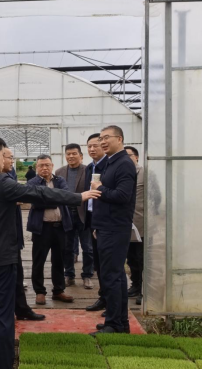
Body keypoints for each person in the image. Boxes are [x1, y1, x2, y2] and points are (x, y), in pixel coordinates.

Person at [0, 134, 97, 369]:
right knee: (2, 315)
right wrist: (78, 197)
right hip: (1, 261)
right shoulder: (0, 182)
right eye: (3, 155)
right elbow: (40, 194)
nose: (4, 160)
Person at [90, 125, 137, 335]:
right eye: (101, 138)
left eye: (106, 137)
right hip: (106, 227)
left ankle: (115, 324)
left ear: (120, 139)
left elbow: (122, 196)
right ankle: (118, 321)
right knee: (113, 276)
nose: (102, 142)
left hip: (115, 228)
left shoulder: (124, 163)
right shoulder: (111, 162)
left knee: (112, 277)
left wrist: (99, 189)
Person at [2, 147, 45, 321]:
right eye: (9, 157)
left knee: (17, 273)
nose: (12, 161)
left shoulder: (9, 173)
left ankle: (21, 308)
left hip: (13, 234)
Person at [27, 154, 75, 305]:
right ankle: (40, 291)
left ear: (52, 166)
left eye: (47, 165)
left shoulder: (60, 180)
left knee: (59, 260)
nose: (44, 168)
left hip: (60, 227)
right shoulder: (32, 182)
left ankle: (58, 290)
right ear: (36, 168)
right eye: (41, 165)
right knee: (38, 260)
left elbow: (65, 197)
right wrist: (55, 199)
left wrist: (46, 198)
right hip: (41, 228)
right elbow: (35, 202)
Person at [56, 143, 95, 290]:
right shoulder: (59, 172)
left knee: (87, 247)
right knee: (67, 247)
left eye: (74, 153)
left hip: (83, 214)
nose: (71, 156)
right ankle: (69, 275)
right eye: (68, 154)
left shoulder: (88, 170)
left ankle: (87, 275)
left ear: (81, 156)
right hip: (66, 214)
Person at [84, 134, 109, 313]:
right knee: (98, 262)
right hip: (92, 217)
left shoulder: (109, 166)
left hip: (106, 219)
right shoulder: (89, 168)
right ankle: (103, 296)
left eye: (95, 145)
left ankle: (112, 300)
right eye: (89, 146)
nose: (92, 149)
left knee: (108, 263)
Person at [125, 146, 144, 306]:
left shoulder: (145, 173)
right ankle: (135, 285)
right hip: (126, 223)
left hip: (141, 223)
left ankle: (144, 290)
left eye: (129, 155)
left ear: (136, 157)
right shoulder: (124, 174)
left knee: (141, 258)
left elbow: (156, 197)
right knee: (130, 258)